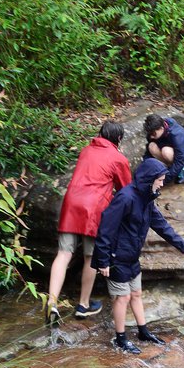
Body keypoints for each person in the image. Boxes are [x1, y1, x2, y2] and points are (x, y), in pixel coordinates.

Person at [92, 158, 184, 354]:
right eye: (160, 180)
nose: (162, 184)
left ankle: (143, 331)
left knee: (136, 294)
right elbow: (105, 228)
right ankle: (120, 339)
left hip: (132, 256)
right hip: (115, 256)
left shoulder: (146, 198)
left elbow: (162, 226)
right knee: (122, 297)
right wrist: (103, 260)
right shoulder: (126, 197)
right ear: (149, 179)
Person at [45, 120, 131, 325]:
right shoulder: (118, 158)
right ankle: (83, 305)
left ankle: (51, 301)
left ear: (100, 134)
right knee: (90, 257)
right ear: (118, 139)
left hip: (72, 203)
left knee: (64, 254)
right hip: (94, 209)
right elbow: (126, 189)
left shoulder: (86, 150)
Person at [143, 113, 184, 184]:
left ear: (161, 128)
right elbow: (148, 153)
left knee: (166, 152)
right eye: (149, 133)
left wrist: (164, 179)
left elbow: (180, 159)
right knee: (151, 146)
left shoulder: (177, 134)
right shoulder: (155, 129)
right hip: (171, 147)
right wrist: (144, 167)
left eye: (153, 134)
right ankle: (169, 168)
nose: (151, 136)